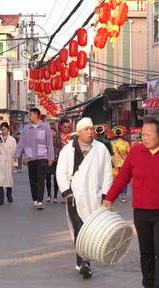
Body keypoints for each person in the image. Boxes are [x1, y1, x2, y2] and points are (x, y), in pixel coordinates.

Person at [103, 118, 159, 288]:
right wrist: (109, 198)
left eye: (148, 135)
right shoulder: (135, 153)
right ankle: (148, 284)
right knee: (146, 253)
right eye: (143, 134)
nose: (144, 138)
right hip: (141, 212)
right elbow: (122, 178)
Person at [56, 117, 114, 279]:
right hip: (74, 196)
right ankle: (84, 262)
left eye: (91, 129)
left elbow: (107, 173)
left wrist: (105, 194)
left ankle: (84, 260)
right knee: (79, 229)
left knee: (92, 230)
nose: (90, 132)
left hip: (95, 196)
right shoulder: (68, 150)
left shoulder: (101, 149)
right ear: (79, 132)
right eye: (86, 129)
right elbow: (60, 172)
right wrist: (67, 192)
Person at [14, 108, 55, 210]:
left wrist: (51, 158)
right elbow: (21, 143)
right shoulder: (26, 129)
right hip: (30, 157)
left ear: (37, 115)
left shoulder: (45, 127)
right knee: (33, 180)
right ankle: (35, 199)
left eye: (31, 115)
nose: (29, 117)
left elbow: (49, 143)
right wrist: (17, 154)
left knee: (41, 179)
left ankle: (40, 201)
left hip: (42, 157)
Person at [0, 122, 17, 205]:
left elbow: (15, 153)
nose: (3, 131)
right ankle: (0, 200)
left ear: (8, 129)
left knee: (8, 181)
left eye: (4, 129)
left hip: (8, 163)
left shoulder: (12, 140)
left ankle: (9, 195)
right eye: (2, 129)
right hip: (0, 163)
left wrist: (15, 164)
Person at [111, 126, 130, 203]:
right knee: (124, 180)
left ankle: (115, 194)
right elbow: (129, 154)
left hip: (115, 164)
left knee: (115, 180)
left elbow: (111, 154)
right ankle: (123, 195)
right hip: (124, 165)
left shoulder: (112, 143)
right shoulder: (126, 144)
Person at [45, 127, 60, 203]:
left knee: (55, 179)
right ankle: (48, 195)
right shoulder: (46, 141)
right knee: (48, 178)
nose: (52, 133)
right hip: (48, 161)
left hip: (56, 161)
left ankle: (55, 196)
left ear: (56, 133)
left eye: (54, 132)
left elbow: (61, 149)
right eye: (51, 132)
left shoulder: (58, 140)